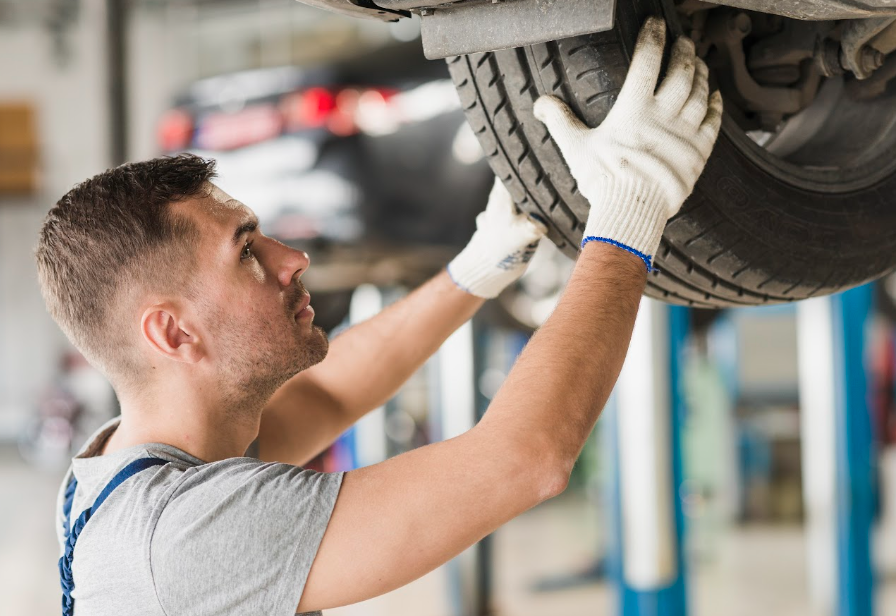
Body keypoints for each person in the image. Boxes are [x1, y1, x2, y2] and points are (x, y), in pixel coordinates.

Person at [37, 17, 721, 616]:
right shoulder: (183, 541)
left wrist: (473, 271)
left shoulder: (126, 469)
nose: (294, 257)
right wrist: (630, 211)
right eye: (247, 252)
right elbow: (524, 460)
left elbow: (330, 392)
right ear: (173, 332)